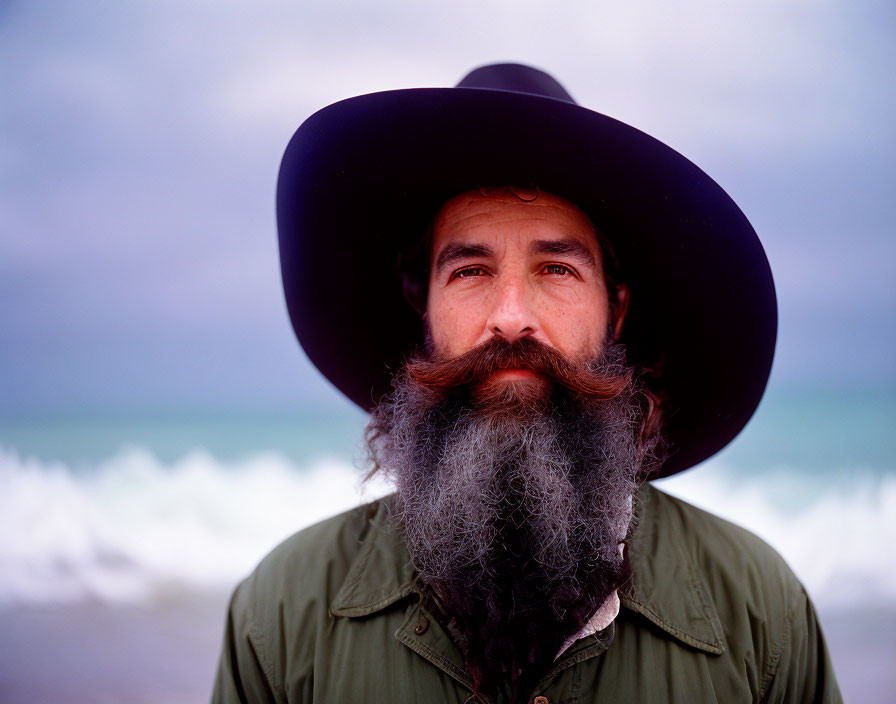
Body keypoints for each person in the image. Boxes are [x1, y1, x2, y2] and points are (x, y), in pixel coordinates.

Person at [212, 64, 842, 703]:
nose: (511, 317)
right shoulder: (280, 619)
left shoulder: (761, 618)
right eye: (471, 272)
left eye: (557, 269)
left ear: (614, 309)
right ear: (423, 308)